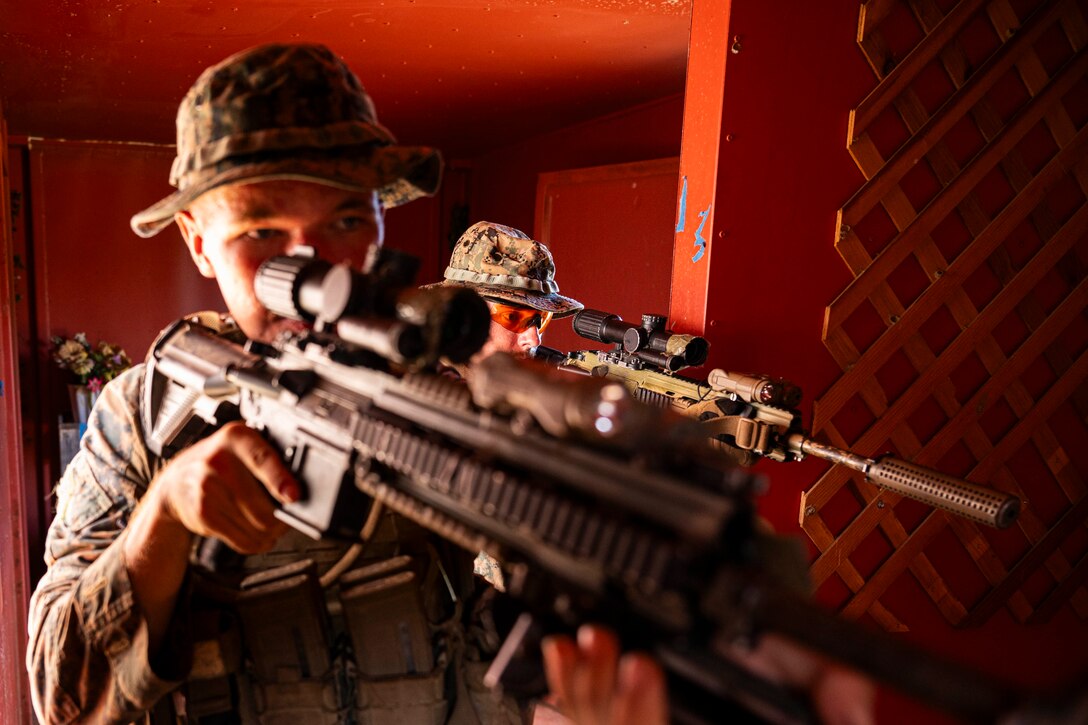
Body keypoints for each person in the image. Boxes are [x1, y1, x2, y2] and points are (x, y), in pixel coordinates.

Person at [26, 41, 873, 725]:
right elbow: (60, 697)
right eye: (259, 230)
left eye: (347, 220)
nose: (311, 261)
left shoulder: (449, 394)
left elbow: (578, 563)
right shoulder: (142, 414)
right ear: (197, 242)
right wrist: (166, 518)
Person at [428, 220, 583, 381]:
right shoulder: (426, 385)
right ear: (464, 318)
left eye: (542, 319)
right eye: (513, 317)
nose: (534, 340)